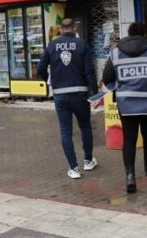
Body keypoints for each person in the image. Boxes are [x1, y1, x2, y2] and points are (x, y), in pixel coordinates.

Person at [102, 21, 147, 194]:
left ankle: (130, 176)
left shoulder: (116, 53)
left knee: (129, 139)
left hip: (126, 103)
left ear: (129, 34)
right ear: (144, 34)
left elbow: (107, 77)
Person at [37, 18, 99, 179]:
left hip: (60, 95)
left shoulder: (52, 45)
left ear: (60, 29)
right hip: (80, 94)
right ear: (74, 28)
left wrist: (50, 80)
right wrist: (95, 91)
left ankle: (74, 168)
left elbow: (40, 67)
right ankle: (88, 161)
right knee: (85, 127)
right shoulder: (82, 44)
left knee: (66, 132)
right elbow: (89, 71)